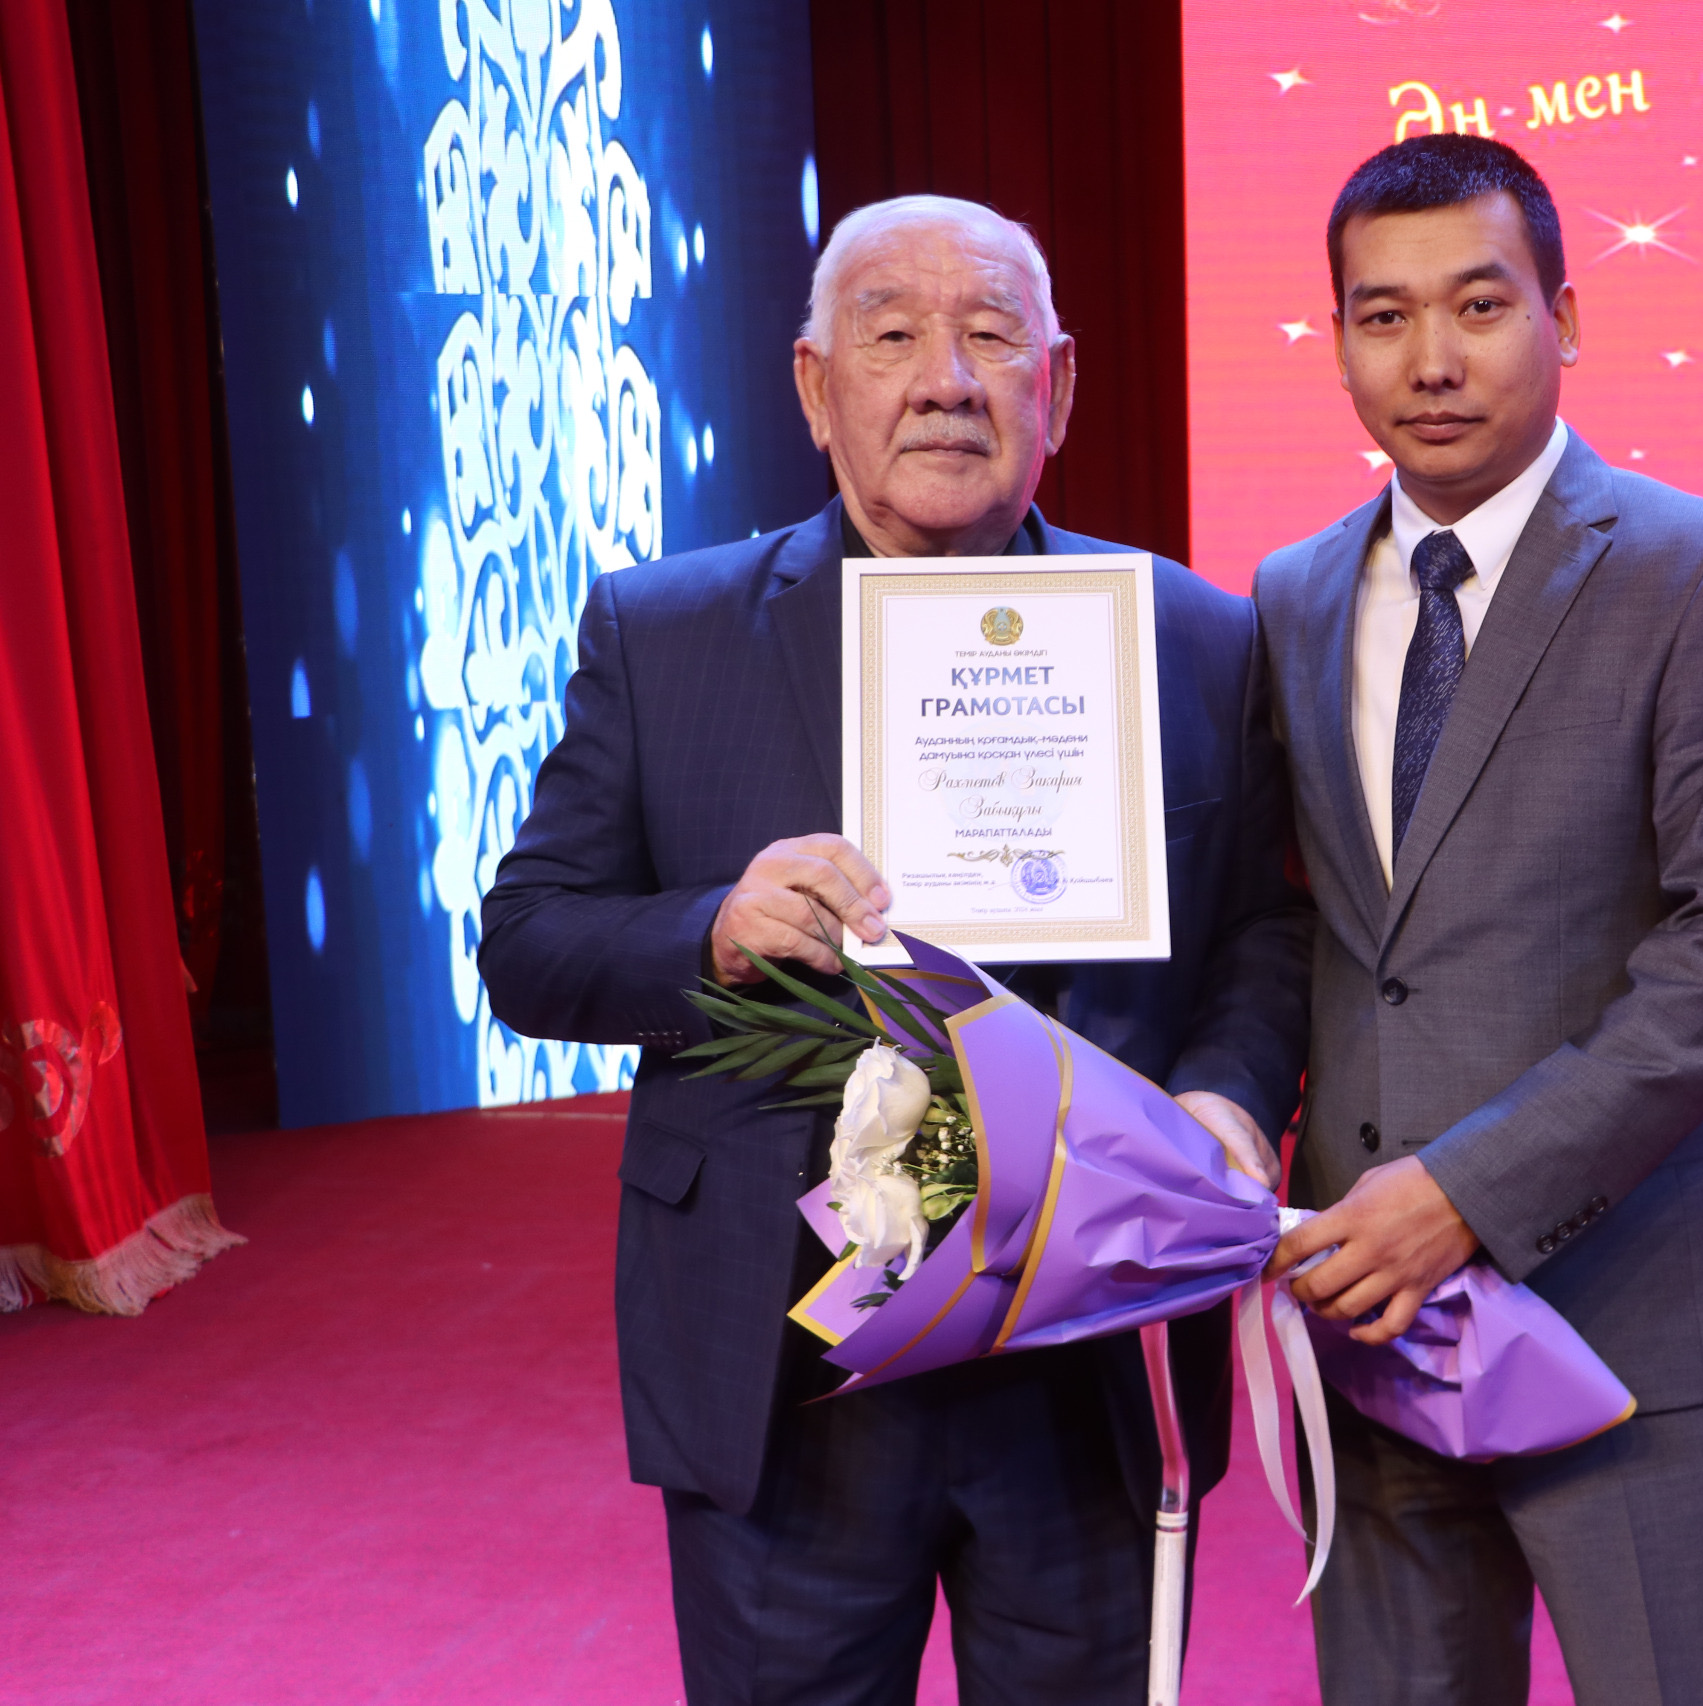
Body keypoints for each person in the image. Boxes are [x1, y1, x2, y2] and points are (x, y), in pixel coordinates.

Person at [477, 195, 1308, 1705]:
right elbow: (528, 940)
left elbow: (1261, 925)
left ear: (1059, 385)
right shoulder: (665, 634)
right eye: (893, 336)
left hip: (1090, 1350)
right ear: (815, 387)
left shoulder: (1194, 636)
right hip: (789, 1356)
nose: (946, 379)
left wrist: (1229, 1095)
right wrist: (713, 929)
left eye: (991, 336)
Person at [1253, 135, 1703, 1706]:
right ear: (1338, 341)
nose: (1431, 359)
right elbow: (1294, 928)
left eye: (1480, 304)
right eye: (1383, 316)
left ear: (1565, 317)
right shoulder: (1292, 594)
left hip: (1634, 1321)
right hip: (1368, 1314)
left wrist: (1467, 1193)